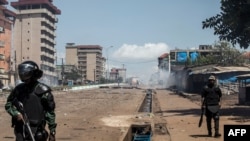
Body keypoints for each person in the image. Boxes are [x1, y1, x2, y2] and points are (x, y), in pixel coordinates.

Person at [5, 61, 57, 141]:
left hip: (37, 131)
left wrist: (52, 132)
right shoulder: (19, 89)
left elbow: (50, 113)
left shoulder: (43, 91)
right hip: (21, 130)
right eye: (22, 75)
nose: (24, 77)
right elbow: (8, 104)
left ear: (34, 74)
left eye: (26, 75)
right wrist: (16, 113)